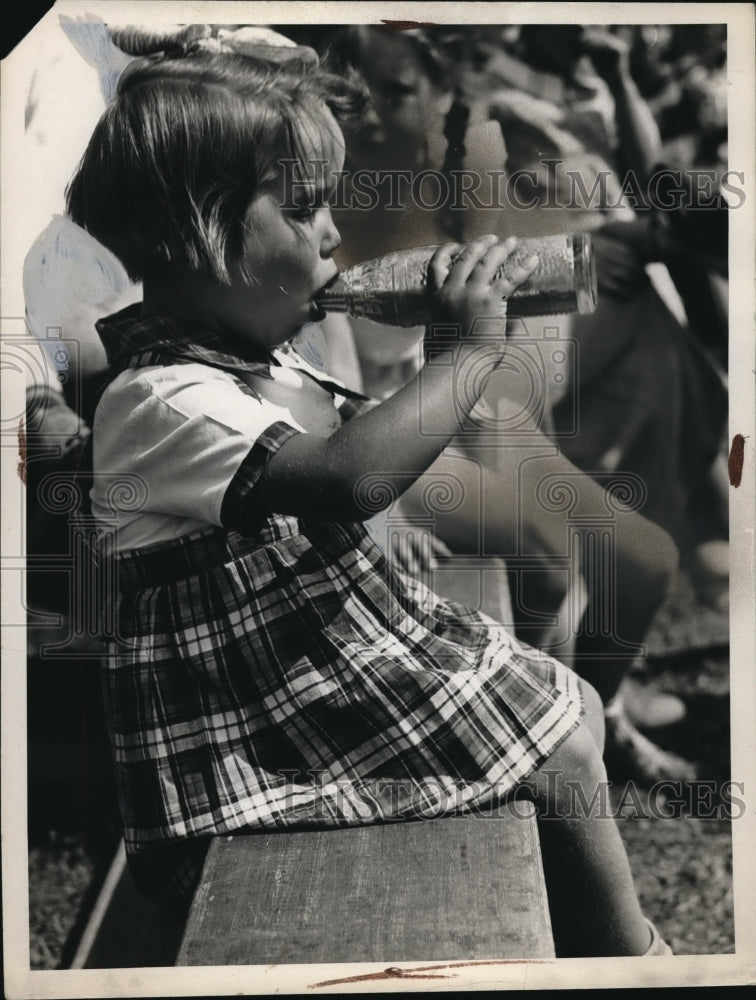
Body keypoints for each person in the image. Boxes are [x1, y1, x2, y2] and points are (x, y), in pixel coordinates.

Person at [65, 48, 672, 957]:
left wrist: (430, 328)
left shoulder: (248, 356)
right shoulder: (158, 399)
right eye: (304, 206)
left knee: (574, 704)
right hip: (257, 730)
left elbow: (373, 448)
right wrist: (463, 355)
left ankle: (555, 930)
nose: (330, 233)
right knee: (562, 745)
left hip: (328, 665)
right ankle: (634, 959)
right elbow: (348, 475)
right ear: (195, 233)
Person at [312, 24, 693, 780]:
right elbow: (326, 387)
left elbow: (497, 326)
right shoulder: (310, 198)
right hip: (367, 433)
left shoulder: (469, 163)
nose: (366, 112)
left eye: (396, 91)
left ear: (443, 93)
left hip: (461, 402)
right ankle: (548, 756)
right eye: (349, 89)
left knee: (646, 560)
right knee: (549, 554)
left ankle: (600, 711)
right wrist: (385, 501)